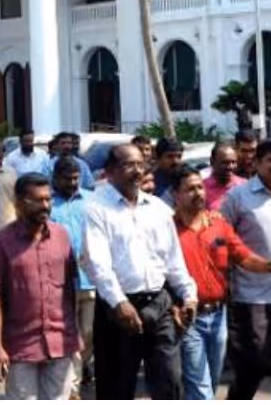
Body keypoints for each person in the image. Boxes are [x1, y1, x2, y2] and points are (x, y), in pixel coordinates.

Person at [83, 144, 197, 400]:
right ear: (110, 171)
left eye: (140, 164)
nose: (136, 170)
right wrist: (119, 303)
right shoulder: (96, 208)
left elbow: (173, 260)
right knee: (117, 388)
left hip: (159, 303)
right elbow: (97, 264)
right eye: (128, 165)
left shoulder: (158, 209)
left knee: (169, 381)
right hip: (119, 307)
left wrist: (189, 295)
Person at [172, 164, 271, 400]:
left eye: (200, 187)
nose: (198, 193)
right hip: (188, 317)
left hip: (218, 316)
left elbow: (243, 256)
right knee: (201, 387)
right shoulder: (168, 229)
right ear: (176, 195)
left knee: (211, 378)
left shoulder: (218, 224)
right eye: (190, 189)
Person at [218, 138, 271, 400]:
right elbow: (222, 238)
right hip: (251, 293)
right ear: (256, 163)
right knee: (255, 362)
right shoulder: (238, 196)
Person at [0, 173, 80, 400]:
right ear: (19, 203)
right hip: (21, 346)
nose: (45, 206)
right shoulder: (0, 243)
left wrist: (75, 333)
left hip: (60, 342)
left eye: (48, 199)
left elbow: (69, 289)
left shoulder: (61, 235)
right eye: (37, 200)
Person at [49, 156, 96, 396]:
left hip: (90, 279)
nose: (73, 183)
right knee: (67, 334)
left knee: (88, 332)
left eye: (76, 178)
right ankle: (71, 386)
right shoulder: (47, 204)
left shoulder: (91, 201)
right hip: (59, 281)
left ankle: (78, 371)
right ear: (56, 179)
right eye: (68, 179)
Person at [203, 142, 246, 211]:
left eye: (233, 162)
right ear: (212, 161)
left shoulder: (244, 186)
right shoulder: (202, 188)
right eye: (225, 162)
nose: (230, 166)